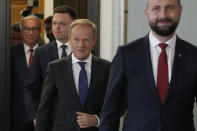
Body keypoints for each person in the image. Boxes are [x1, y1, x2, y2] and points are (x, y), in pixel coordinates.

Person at [99, 0, 197, 131]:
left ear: (180, 11)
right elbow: (110, 111)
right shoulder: (126, 54)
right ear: (147, 13)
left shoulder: (194, 55)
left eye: (170, 8)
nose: (163, 15)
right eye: (156, 9)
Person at [35, 19, 111, 131]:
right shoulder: (55, 68)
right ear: (69, 40)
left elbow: (118, 104)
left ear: (94, 40)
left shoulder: (107, 68)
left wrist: (96, 120)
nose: (81, 45)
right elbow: (44, 109)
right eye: (76, 39)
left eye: (86, 40)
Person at [23, 5, 78, 127]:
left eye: (62, 24)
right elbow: (29, 88)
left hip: (77, 120)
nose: (57, 28)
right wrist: (35, 116)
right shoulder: (41, 52)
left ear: (73, 26)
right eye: (54, 23)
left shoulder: (83, 50)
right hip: (47, 120)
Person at [11, 15, 42, 131]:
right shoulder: (10, 53)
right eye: (27, 29)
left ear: (40, 31)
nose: (31, 32)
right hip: (16, 116)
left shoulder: (48, 52)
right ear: (21, 31)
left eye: (34, 29)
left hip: (42, 116)